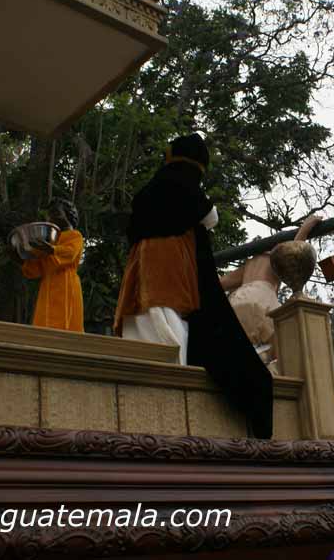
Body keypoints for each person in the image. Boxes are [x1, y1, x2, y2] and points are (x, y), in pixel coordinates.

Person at [113, 133, 273, 439]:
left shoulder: (146, 193)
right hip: (172, 275)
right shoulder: (188, 190)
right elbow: (211, 218)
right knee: (172, 333)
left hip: (139, 275)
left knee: (145, 327)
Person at [219, 214, 323, 366]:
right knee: (284, 349)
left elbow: (221, 283)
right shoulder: (275, 259)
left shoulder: (249, 264)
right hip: (263, 299)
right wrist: (305, 229)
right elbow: (293, 252)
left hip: (236, 301)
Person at [18, 198, 84, 332]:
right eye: (50, 214)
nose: (51, 217)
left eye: (56, 213)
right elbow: (36, 269)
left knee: (65, 319)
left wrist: (51, 249)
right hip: (47, 284)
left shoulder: (75, 235)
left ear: (69, 215)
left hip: (66, 283)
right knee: (45, 320)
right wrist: (19, 258)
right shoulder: (49, 240)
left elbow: (70, 253)